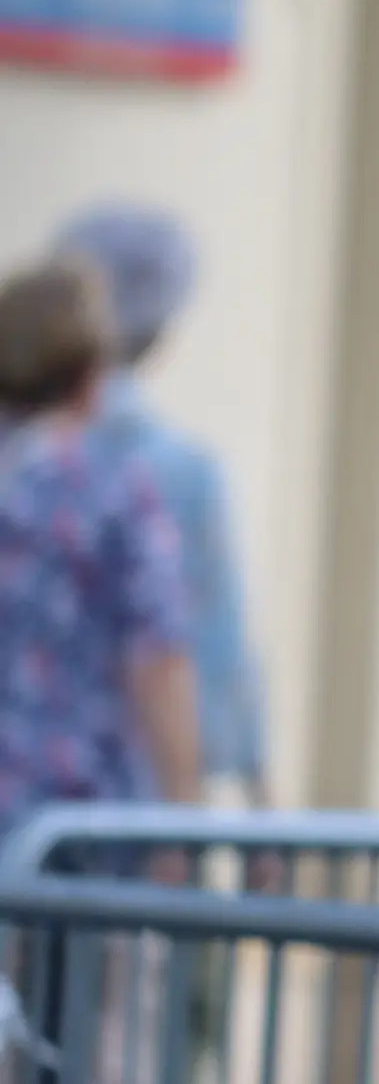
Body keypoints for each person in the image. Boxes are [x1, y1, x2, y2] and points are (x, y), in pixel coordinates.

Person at [51, 203, 268, 805]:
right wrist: (254, 795)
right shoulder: (181, 470)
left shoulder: (20, 456)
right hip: (125, 799)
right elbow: (210, 645)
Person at [0, 259, 200, 832]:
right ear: (91, 375)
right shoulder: (112, 490)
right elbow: (159, 661)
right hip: (72, 825)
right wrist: (183, 816)